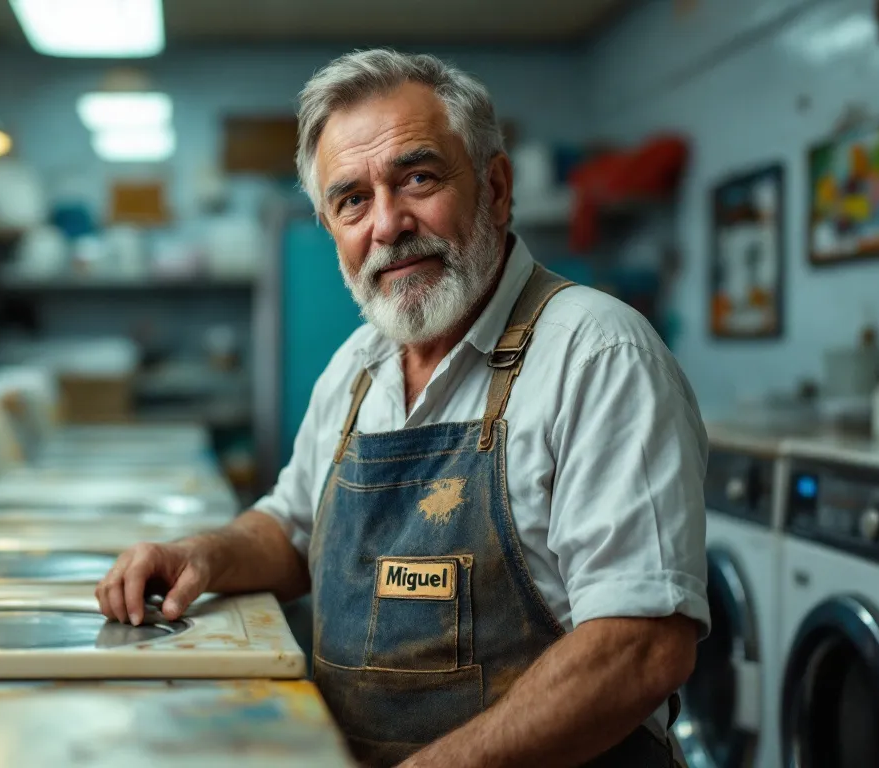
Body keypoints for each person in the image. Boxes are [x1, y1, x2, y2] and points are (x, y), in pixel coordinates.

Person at [95, 48, 708, 768]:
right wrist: (200, 553)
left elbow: (640, 648)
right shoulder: (357, 369)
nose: (387, 225)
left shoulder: (598, 354)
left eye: (417, 178)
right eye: (351, 199)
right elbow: (292, 532)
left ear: (496, 188)